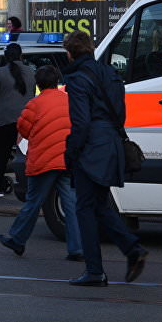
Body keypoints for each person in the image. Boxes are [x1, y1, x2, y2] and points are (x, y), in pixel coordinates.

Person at [62, 31, 148, 287]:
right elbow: (119, 114)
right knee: (99, 204)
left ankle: (95, 270)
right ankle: (132, 249)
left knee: (85, 208)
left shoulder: (78, 79)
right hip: (110, 143)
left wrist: (72, 152)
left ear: (70, 53)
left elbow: (81, 122)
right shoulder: (110, 73)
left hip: (91, 147)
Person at [0, 65, 83, 261]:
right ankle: (77, 248)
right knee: (71, 204)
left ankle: (17, 239)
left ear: (38, 85)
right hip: (68, 159)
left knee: (33, 202)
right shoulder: (70, 101)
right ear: (57, 82)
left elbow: (23, 129)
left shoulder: (34, 104)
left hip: (43, 160)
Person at [0, 43, 35, 197]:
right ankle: (31, 186)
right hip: (26, 120)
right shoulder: (31, 72)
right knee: (27, 155)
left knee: (2, 154)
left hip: (5, 121)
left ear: (6, 57)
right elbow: (31, 95)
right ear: (21, 56)